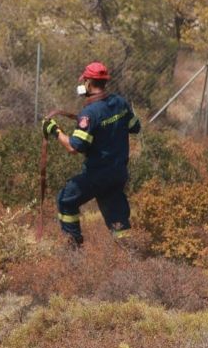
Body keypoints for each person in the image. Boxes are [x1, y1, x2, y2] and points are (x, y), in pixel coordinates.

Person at [42, 61, 142, 247]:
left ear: (87, 82)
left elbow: (74, 147)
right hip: (118, 173)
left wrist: (54, 130)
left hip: (98, 175)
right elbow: (135, 127)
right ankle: (131, 258)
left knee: (65, 200)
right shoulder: (120, 102)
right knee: (118, 222)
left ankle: (73, 248)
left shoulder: (89, 113)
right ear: (105, 82)